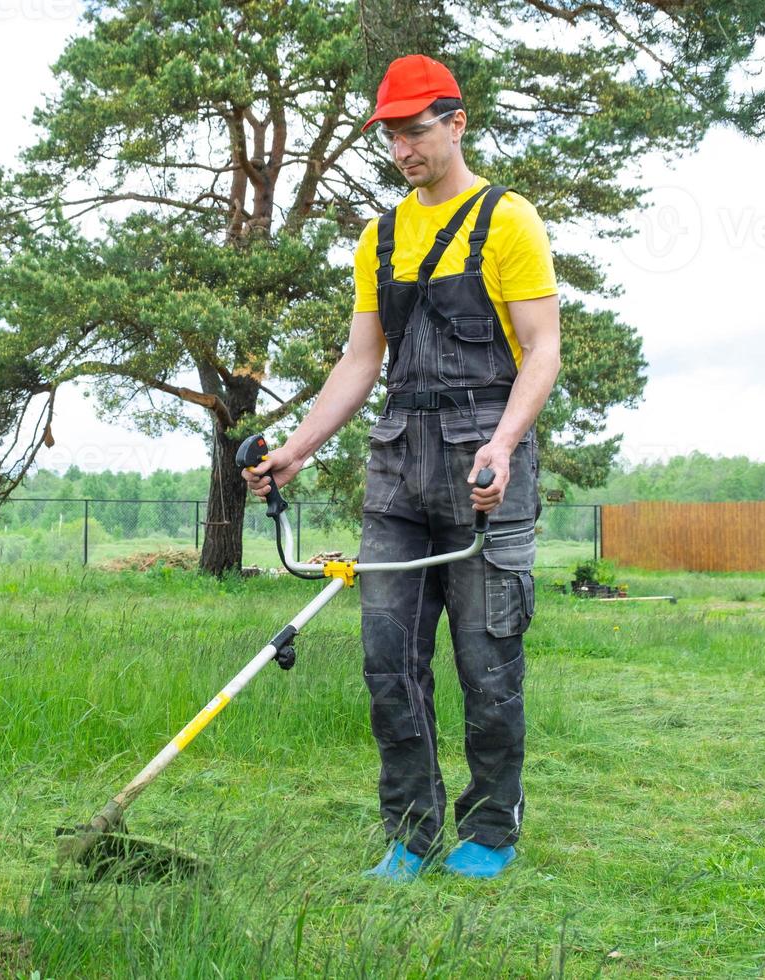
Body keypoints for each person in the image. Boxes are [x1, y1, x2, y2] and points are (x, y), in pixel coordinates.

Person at [242, 54, 561, 882]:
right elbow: (359, 360)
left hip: (484, 472)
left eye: (417, 131)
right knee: (388, 660)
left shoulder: (509, 221)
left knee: (488, 664)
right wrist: (296, 449)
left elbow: (543, 349)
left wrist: (503, 440)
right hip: (397, 471)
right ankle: (411, 833)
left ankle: (491, 828)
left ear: (457, 122)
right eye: (391, 134)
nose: (403, 149)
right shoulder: (379, 237)